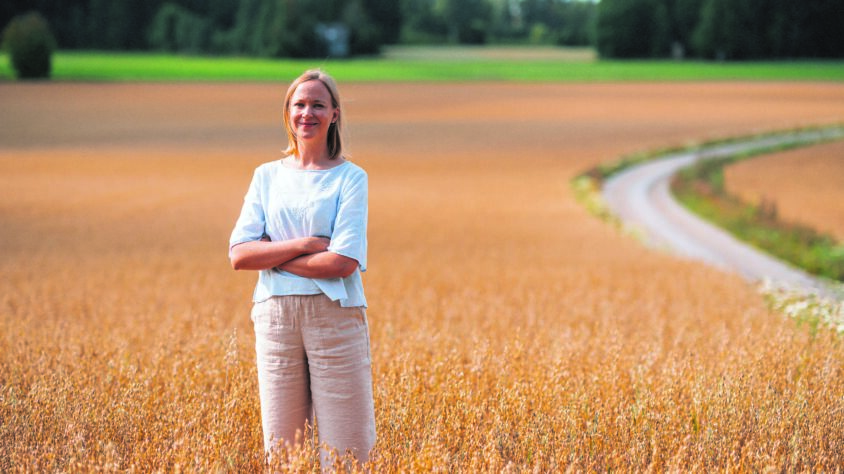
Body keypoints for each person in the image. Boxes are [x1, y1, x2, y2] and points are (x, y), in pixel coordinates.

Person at [228, 69, 375, 467]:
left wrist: (273, 254)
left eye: (317, 105)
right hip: (275, 318)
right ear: (287, 112)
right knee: (282, 452)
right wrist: (306, 246)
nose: (307, 112)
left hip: (335, 318)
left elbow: (342, 262)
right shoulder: (266, 176)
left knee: (348, 449)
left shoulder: (350, 178)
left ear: (335, 115)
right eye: (299, 104)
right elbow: (240, 255)